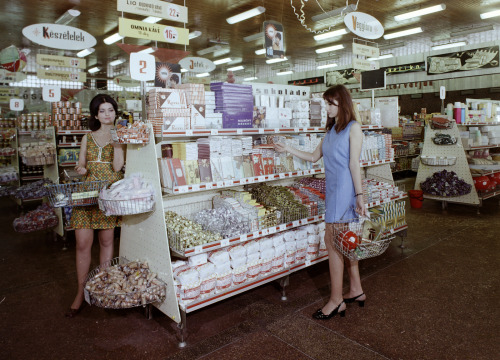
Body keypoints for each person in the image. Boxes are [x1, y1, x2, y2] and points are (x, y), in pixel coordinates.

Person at [274, 85, 367, 320]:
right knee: (345, 241)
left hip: (345, 191)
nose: (326, 108)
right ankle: (355, 289)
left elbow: (354, 165)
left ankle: (337, 300)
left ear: (342, 104)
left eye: (330, 104)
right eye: (325, 103)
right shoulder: (331, 130)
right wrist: (287, 148)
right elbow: (314, 157)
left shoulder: (353, 129)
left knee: (333, 241)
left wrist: (360, 196)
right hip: (333, 190)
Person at [65, 94, 125, 317]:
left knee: (107, 240)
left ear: (115, 113)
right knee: (82, 243)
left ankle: (104, 289)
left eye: (110, 110)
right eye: (102, 111)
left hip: (108, 193)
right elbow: (81, 164)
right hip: (86, 193)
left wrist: (118, 142)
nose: (107, 114)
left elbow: (118, 168)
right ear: (95, 115)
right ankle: (80, 293)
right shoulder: (87, 137)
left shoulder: (120, 136)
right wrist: (80, 169)